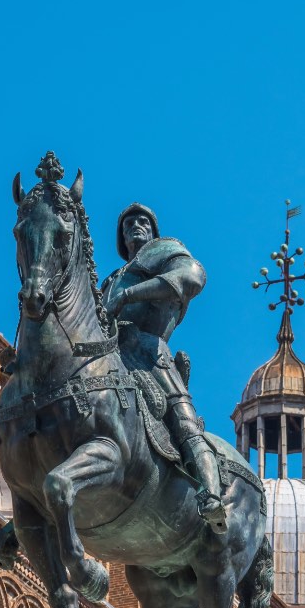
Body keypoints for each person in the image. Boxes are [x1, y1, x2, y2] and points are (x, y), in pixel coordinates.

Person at [102, 203, 226, 532]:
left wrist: (128, 296)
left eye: (143, 221)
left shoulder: (165, 251)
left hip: (148, 350)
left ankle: (211, 494)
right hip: (109, 353)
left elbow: (191, 278)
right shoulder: (110, 279)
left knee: (184, 424)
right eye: (128, 223)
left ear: (154, 231)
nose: (135, 226)